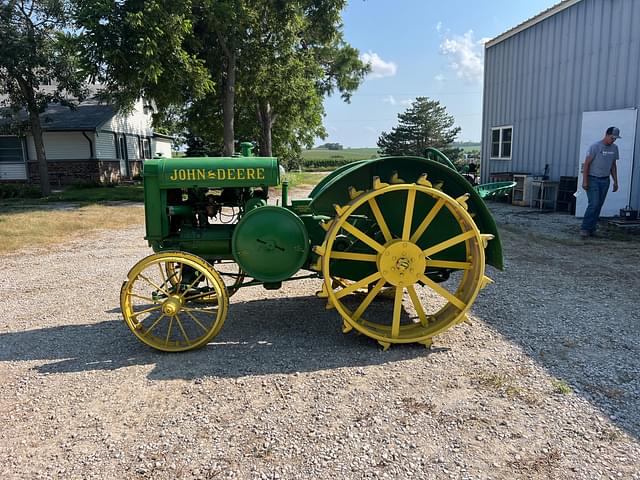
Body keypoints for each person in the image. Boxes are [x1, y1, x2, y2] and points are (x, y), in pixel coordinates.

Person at [580, 126, 620, 237]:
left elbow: (613, 166)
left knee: (599, 205)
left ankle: (592, 229)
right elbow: (587, 164)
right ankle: (585, 228)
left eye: (615, 138)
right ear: (606, 135)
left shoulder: (614, 148)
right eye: (612, 137)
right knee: (594, 204)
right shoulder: (595, 147)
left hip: (605, 180)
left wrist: (615, 181)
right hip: (593, 179)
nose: (613, 140)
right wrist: (585, 181)